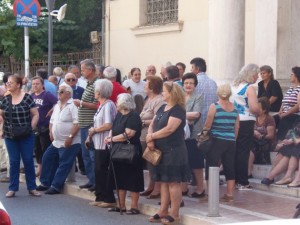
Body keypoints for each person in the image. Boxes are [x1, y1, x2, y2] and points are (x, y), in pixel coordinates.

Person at [146, 82, 190, 224]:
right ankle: (163, 210)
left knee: (173, 182)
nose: (162, 94)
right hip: (160, 150)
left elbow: (170, 129)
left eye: (164, 91)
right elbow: (152, 124)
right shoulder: (162, 107)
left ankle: (175, 213)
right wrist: (150, 138)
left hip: (174, 151)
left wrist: (152, 137)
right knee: (163, 182)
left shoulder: (178, 110)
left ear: (172, 93)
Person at [0, 74, 41, 197]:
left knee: (28, 160)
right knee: (14, 161)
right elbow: (1, 115)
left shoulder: (27, 98)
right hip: (10, 135)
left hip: (26, 135)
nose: (8, 84)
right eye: (7, 83)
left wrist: (31, 127)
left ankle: (32, 187)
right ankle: (13, 188)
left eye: (11, 82)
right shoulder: (5, 99)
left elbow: (35, 114)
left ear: (18, 85)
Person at [36, 84, 81, 194]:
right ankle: (45, 182)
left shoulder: (73, 105)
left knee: (64, 163)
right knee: (47, 158)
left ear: (68, 94)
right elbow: (52, 121)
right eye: (58, 92)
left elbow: (77, 122)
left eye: (61, 92)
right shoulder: (57, 105)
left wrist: (70, 137)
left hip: (70, 140)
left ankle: (56, 186)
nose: (58, 94)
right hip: (56, 141)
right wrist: (51, 131)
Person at [105, 93, 144, 214]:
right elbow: (113, 128)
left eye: (118, 102)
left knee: (133, 178)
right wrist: (109, 137)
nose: (116, 104)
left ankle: (134, 207)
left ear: (123, 103)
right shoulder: (119, 114)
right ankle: (120, 205)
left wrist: (112, 139)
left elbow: (129, 134)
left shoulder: (133, 116)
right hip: (118, 150)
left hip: (131, 150)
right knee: (119, 177)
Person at [203, 84, 239, 202]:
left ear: (217, 93)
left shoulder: (215, 106)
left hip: (216, 140)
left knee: (212, 165)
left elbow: (208, 125)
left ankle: (211, 193)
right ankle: (229, 194)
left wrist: (203, 135)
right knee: (230, 166)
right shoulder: (235, 108)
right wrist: (233, 138)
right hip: (231, 141)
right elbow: (237, 127)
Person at [88, 79, 117, 207]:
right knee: (98, 170)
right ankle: (99, 196)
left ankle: (109, 198)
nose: (94, 92)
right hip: (98, 142)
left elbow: (108, 124)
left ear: (99, 92)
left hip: (105, 143)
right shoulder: (102, 105)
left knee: (102, 170)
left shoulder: (108, 105)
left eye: (95, 90)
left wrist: (95, 130)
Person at [231, 64, 260, 190]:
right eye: (256, 74)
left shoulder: (233, 86)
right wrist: (259, 111)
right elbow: (254, 108)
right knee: (244, 151)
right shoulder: (250, 88)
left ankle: (235, 179)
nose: (257, 77)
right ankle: (242, 181)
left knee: (236, 150)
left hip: (234, 120)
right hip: (246, 120)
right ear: (251, 74)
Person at [73, 59, 98, 191]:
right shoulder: (88, 84)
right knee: (85, 155)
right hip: (83, 123)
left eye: (83, 69)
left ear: (90, 70)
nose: (81, 72)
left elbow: (97, 105)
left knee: (91, 154)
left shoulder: (97, 84)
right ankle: (91, 179)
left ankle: (96, 181)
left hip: (90, 123)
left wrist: (81, 104)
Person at [139, 76, 164, 199]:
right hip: (143, 135)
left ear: (152, 87)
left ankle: (157, 189)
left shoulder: (159, 100)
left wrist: (143, 123)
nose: (144, 85)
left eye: (146, 84)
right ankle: (150, 186)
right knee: (149, 163)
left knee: (154, 162)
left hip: (152, 134)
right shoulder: (148, 99)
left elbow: (157, 119)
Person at [182, 73, 205, 198]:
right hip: (181, 134)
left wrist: (179, 114)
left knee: (196, 162)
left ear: (195, 84)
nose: (188, 85)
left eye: (191, 83)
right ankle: (184, 188)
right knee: (183, 162)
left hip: (193, 134)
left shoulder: (199, 96)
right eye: (186, 83)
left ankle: (200, 189)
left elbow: (196, 114)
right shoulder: (181, 96)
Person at [31, 76, 57, 177]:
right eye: (33, 84)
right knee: (37, 149)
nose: (35, 86)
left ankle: (46, 170)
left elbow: (58, 103)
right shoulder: (31, 96)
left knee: (45, 148)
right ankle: (39, 169)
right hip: (35, 127)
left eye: (37, 84)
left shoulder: (47, 95)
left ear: (42, 85)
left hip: (45, 126)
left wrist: (52, 109)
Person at [248, 97, 276, 177]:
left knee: (249, 146)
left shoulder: (269, 119)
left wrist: (260, 135)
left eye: (258, 108)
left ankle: (249, 171)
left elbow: (270, 136)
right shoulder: (254, 117)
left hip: (264, 144)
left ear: (264, 110)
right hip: (254, 141)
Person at [190, 57, 218, 130]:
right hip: (212, 122)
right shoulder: (213, 83)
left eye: (192, 67)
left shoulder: (193, 83)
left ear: (197, 69)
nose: (191, 70)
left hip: (197, 123)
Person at [276, 67, 300, 141]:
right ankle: (273, 141)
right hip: (285, 113)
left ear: (296, 76)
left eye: (292, 74)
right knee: (272, 119)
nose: (290, 76)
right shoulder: (290, 88)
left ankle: (281, 141)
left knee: (285, 120)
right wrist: (280, 111)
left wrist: (285, 114)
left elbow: (297, 106)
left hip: (294, 114)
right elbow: (284, 101)